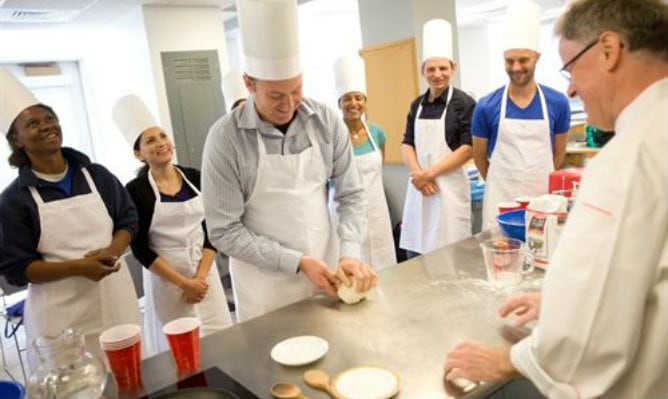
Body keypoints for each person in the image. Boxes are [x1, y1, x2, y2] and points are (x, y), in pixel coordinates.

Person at [444, 0, 668, 397]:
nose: (572, 86)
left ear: (609, 49)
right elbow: (637, 278)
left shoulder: (631, 158)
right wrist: (559, 298)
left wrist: (506, 360)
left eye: (572, 67)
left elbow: (589, 334)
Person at [201, 0, 377, 322]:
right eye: (276, 96)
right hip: (265, 290)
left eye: (296, 90)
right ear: (249, 84)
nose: (289, 104)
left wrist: (349, 252)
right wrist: (296, 261)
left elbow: (351, 195)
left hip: (326, 275)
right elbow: (224, 231)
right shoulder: (225, 139)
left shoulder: (324, 120)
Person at [0, 68, 141, 368]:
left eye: (50, 119)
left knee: (128, 379)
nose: (47, 126)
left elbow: (128, 220)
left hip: (114, 301)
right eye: (33, 123)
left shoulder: (96, 175)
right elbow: (17, 269)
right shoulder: (15, 199)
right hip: (60, 317)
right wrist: (79, 267)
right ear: (17, 138)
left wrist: (113, 250)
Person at [113, 94, 233, 356]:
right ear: (138, 153)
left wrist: (199, 278)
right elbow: (141, 249)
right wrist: (183, 283)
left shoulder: (194, 176)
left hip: (204, 274)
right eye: (151, 141)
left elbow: (211, 229)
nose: (161, 144)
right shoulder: (135, 190)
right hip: (167, 281)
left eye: (163, 136)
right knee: (179, 350)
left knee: (220, 340)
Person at [472, 0, 571, 230]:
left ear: (537, 58)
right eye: (510, 60)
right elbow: (479, 158)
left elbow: (558, 155)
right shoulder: (486, 106)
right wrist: (500, 185)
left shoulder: (557, 102)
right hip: (501, 201)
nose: (516, 67)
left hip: (542, 202)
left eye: (523, 60)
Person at [399, 19, 475, 258]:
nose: (437, 75)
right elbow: (406, 143)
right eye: (431, 69)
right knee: (416, 256)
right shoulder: (417, 104)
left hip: (448, 193)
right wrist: (417, 174)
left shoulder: (464, 103)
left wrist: (428, 174)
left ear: (453, 67)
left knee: (450, 259)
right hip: (419, 189)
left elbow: (468, 148)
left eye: (443, 68)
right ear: (423, 71)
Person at [330, 53, 396, 271]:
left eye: (358, 97)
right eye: (347, 98)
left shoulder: (377, 133)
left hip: (377, 209)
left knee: (382, 262)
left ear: (365, 101)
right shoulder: (331, 136)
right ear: (339, 103)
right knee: (353, 264)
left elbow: (379, 167)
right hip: (345, 214)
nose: (353, 103)